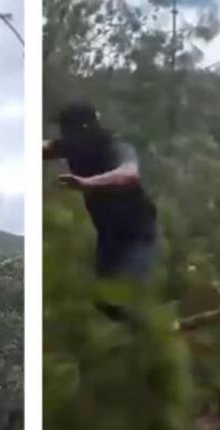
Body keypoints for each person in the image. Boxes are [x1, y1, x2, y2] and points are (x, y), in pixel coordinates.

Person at [44, 101, 158, 320]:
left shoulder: (115, 146)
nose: (63, 135)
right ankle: (133, 334)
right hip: (108, 232)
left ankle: (150, 329)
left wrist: (88, 183)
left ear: (84, 128)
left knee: (122, 290)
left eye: (66, 129)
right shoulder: (70, 146)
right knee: (103, 301)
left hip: (137, 230)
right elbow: (44, 147)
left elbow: (129, 174)